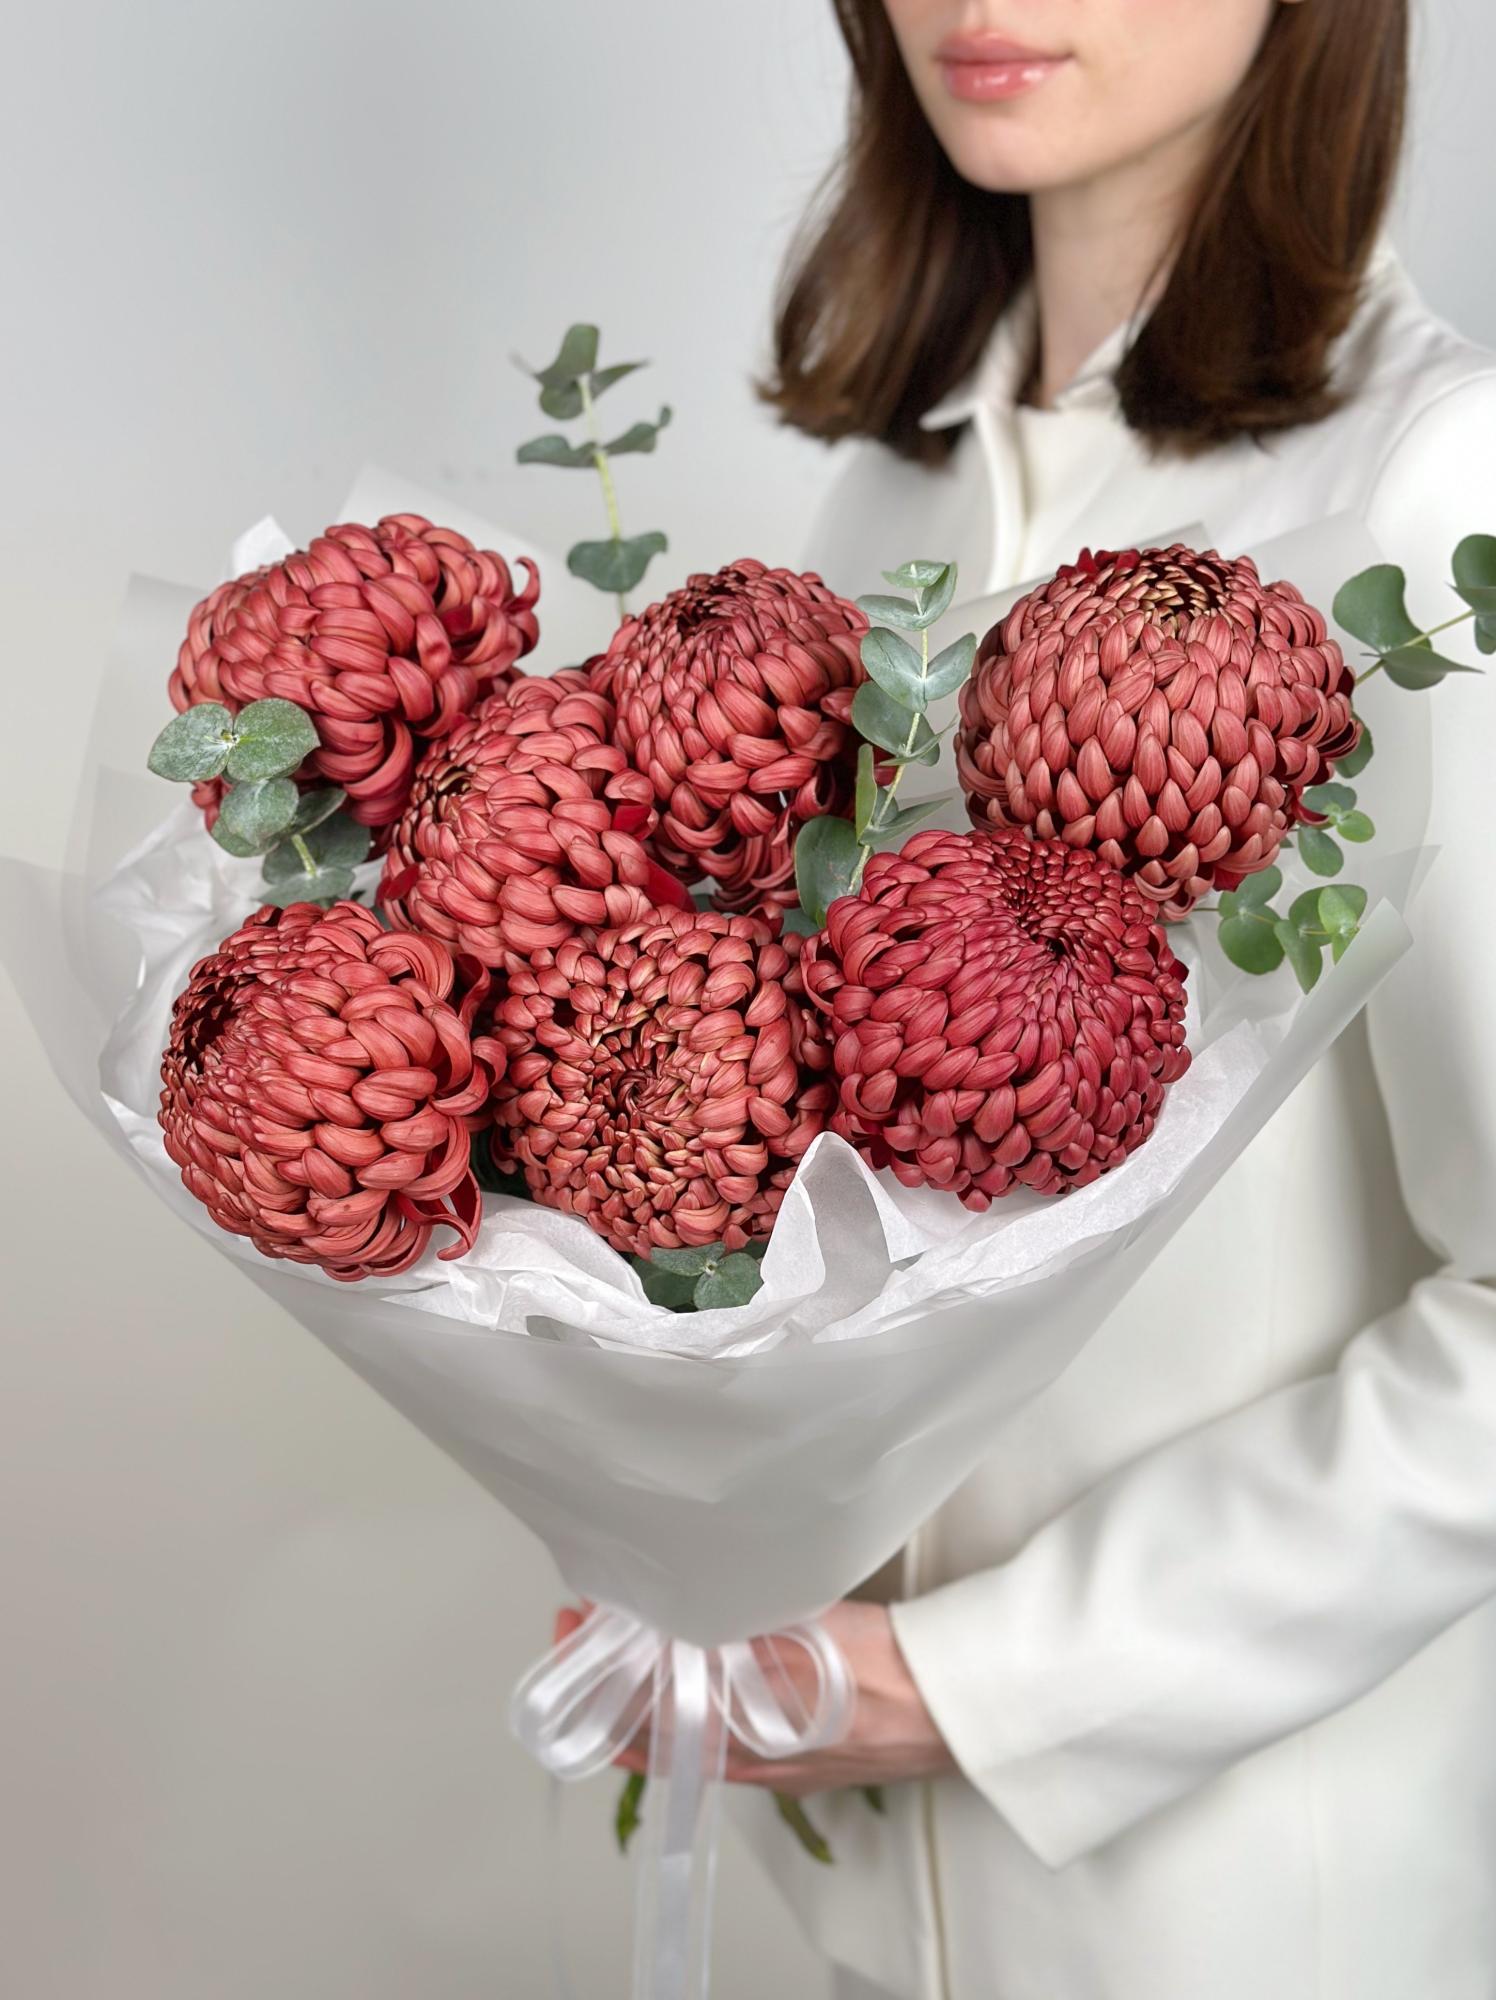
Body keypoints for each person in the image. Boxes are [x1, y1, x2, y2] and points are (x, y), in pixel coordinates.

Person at [721, 3, 1496, 1996]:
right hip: (855, 1888)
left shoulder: (1437, 490)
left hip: (1244, 1915)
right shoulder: (889, 489)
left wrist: (981, 1681)